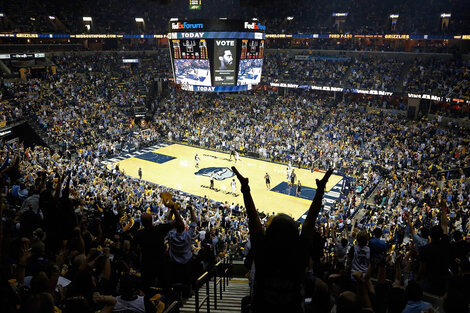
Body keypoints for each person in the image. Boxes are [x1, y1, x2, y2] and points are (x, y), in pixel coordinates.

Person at [232, 165, 333, 313]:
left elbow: (253, 220)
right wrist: (319, 192)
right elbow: (309, 225)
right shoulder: (299, 255)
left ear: (269, 233)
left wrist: (246, 190)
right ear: (294, 237)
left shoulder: (262, 252)